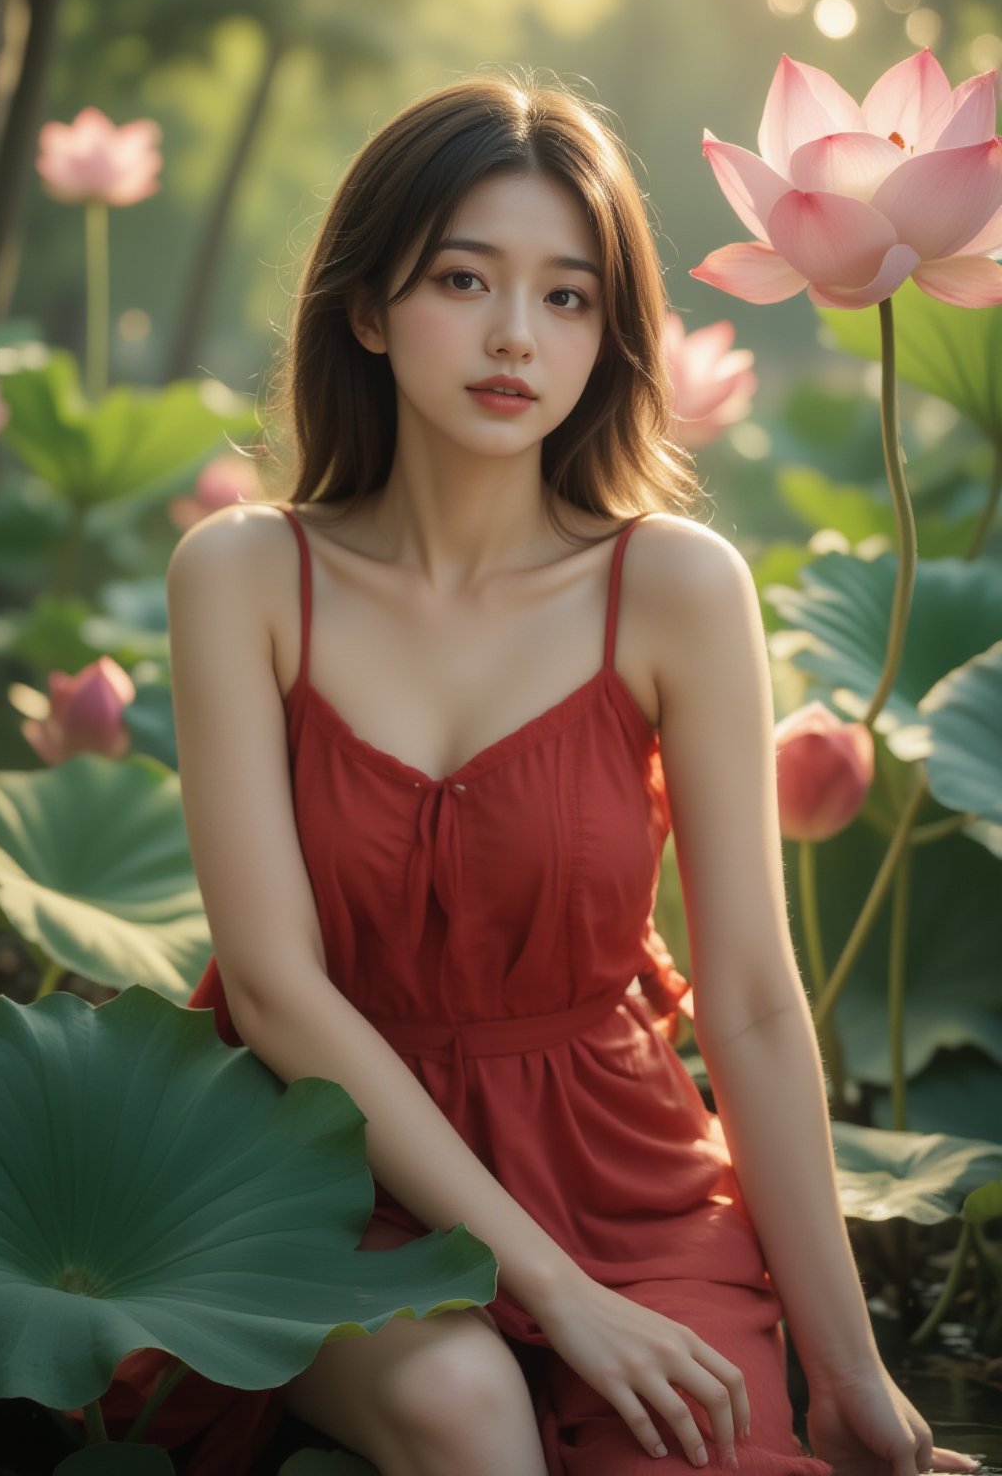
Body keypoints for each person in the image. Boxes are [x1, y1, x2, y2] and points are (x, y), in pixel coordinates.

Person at [100, 73, 984, 1476]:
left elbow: (751, 1002)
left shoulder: (675, 588)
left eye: (569, 296)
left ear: (608, 336)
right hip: (337, 1166)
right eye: (466, 278)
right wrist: (553, 1297)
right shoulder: (250, 574)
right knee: (471, 1416)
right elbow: (272, 987)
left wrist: (852, 1375)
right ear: (372, 308)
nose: (518, 335)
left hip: (620, 1172)